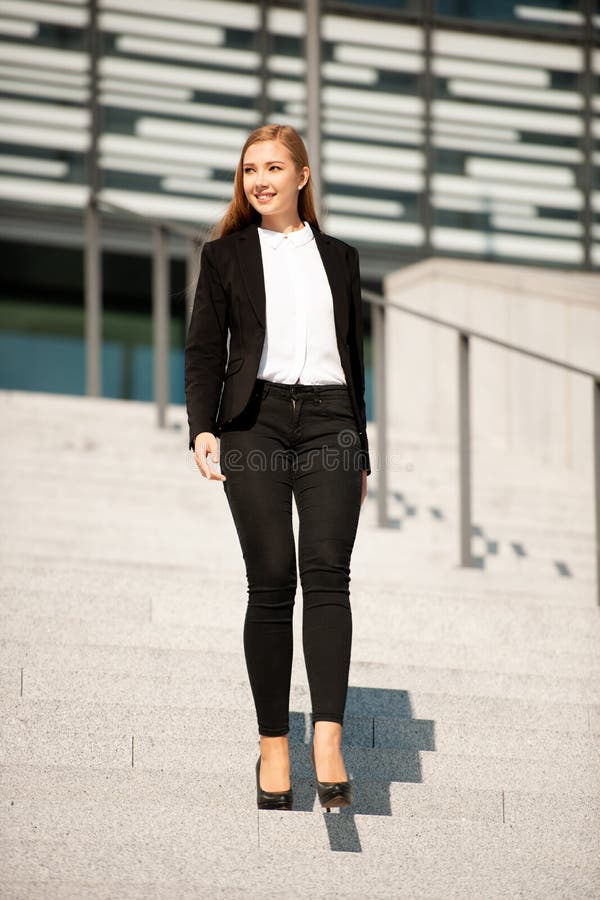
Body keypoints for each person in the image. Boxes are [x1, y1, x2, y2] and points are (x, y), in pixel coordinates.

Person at [184, 124, 371, 812]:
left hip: (331, 425)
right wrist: (201, 427)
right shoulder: (227, 255)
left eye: (272, 167)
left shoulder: (342, 258)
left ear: (302, 176)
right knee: (270, 582)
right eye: (248, 170)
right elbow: (205, 349)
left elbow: (353, 358)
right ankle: (272, 743)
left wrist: (361, 449)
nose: (258, 180)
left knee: (328, 574)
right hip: (254, 422)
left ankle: (327, 738)